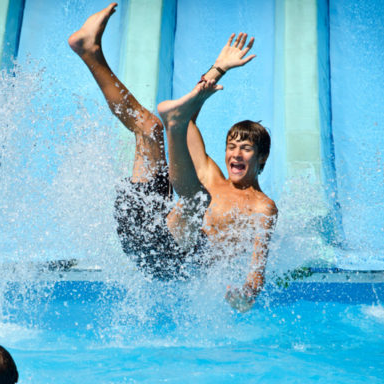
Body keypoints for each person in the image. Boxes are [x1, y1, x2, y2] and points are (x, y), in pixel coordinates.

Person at [69, 3, 277, 312]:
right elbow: (190, 120)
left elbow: (257, 268)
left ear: (262, 158)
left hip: (171, 264)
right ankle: (89, 50)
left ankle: (172, 126)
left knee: (197, 199)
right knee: (149, 128)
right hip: (141, 225)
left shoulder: (263, 206)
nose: (235, 153)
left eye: (245, 149)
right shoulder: (210, 174)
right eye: (232, 146)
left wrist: (247, 294)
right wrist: (218, 68)